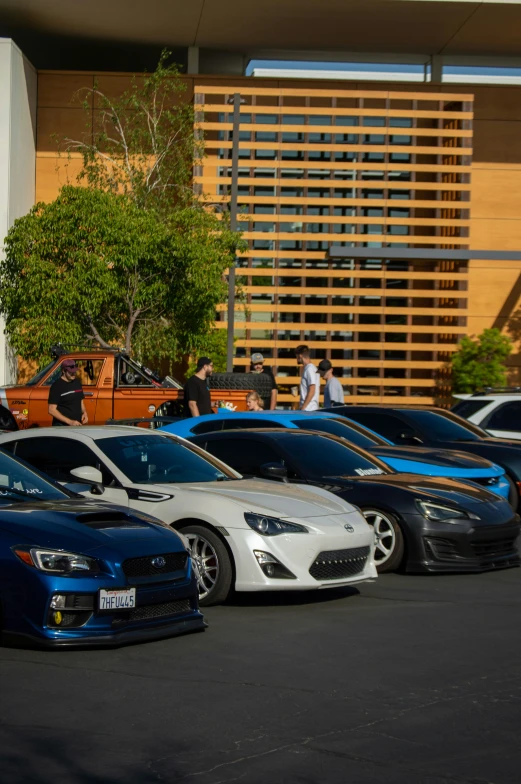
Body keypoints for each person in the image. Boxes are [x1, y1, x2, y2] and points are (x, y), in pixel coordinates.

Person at [48, 359, 88, 426]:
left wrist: (84, 413)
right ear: (63, 371)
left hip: (77, 424)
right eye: (71, 372)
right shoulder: (57, 386)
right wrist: (70, 422)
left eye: (75, 371)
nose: (74, 374)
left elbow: (81, 402)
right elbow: (51, 410)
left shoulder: (77, 383)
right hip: (62, 426)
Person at [295, 344, 320, 411]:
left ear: (300, 356)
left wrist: (303, 408)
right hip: (311, 408)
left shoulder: (309, 369)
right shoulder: (312, 368)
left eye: (296, 357)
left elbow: (312, 389)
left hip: (309, 409)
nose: (296, 359)